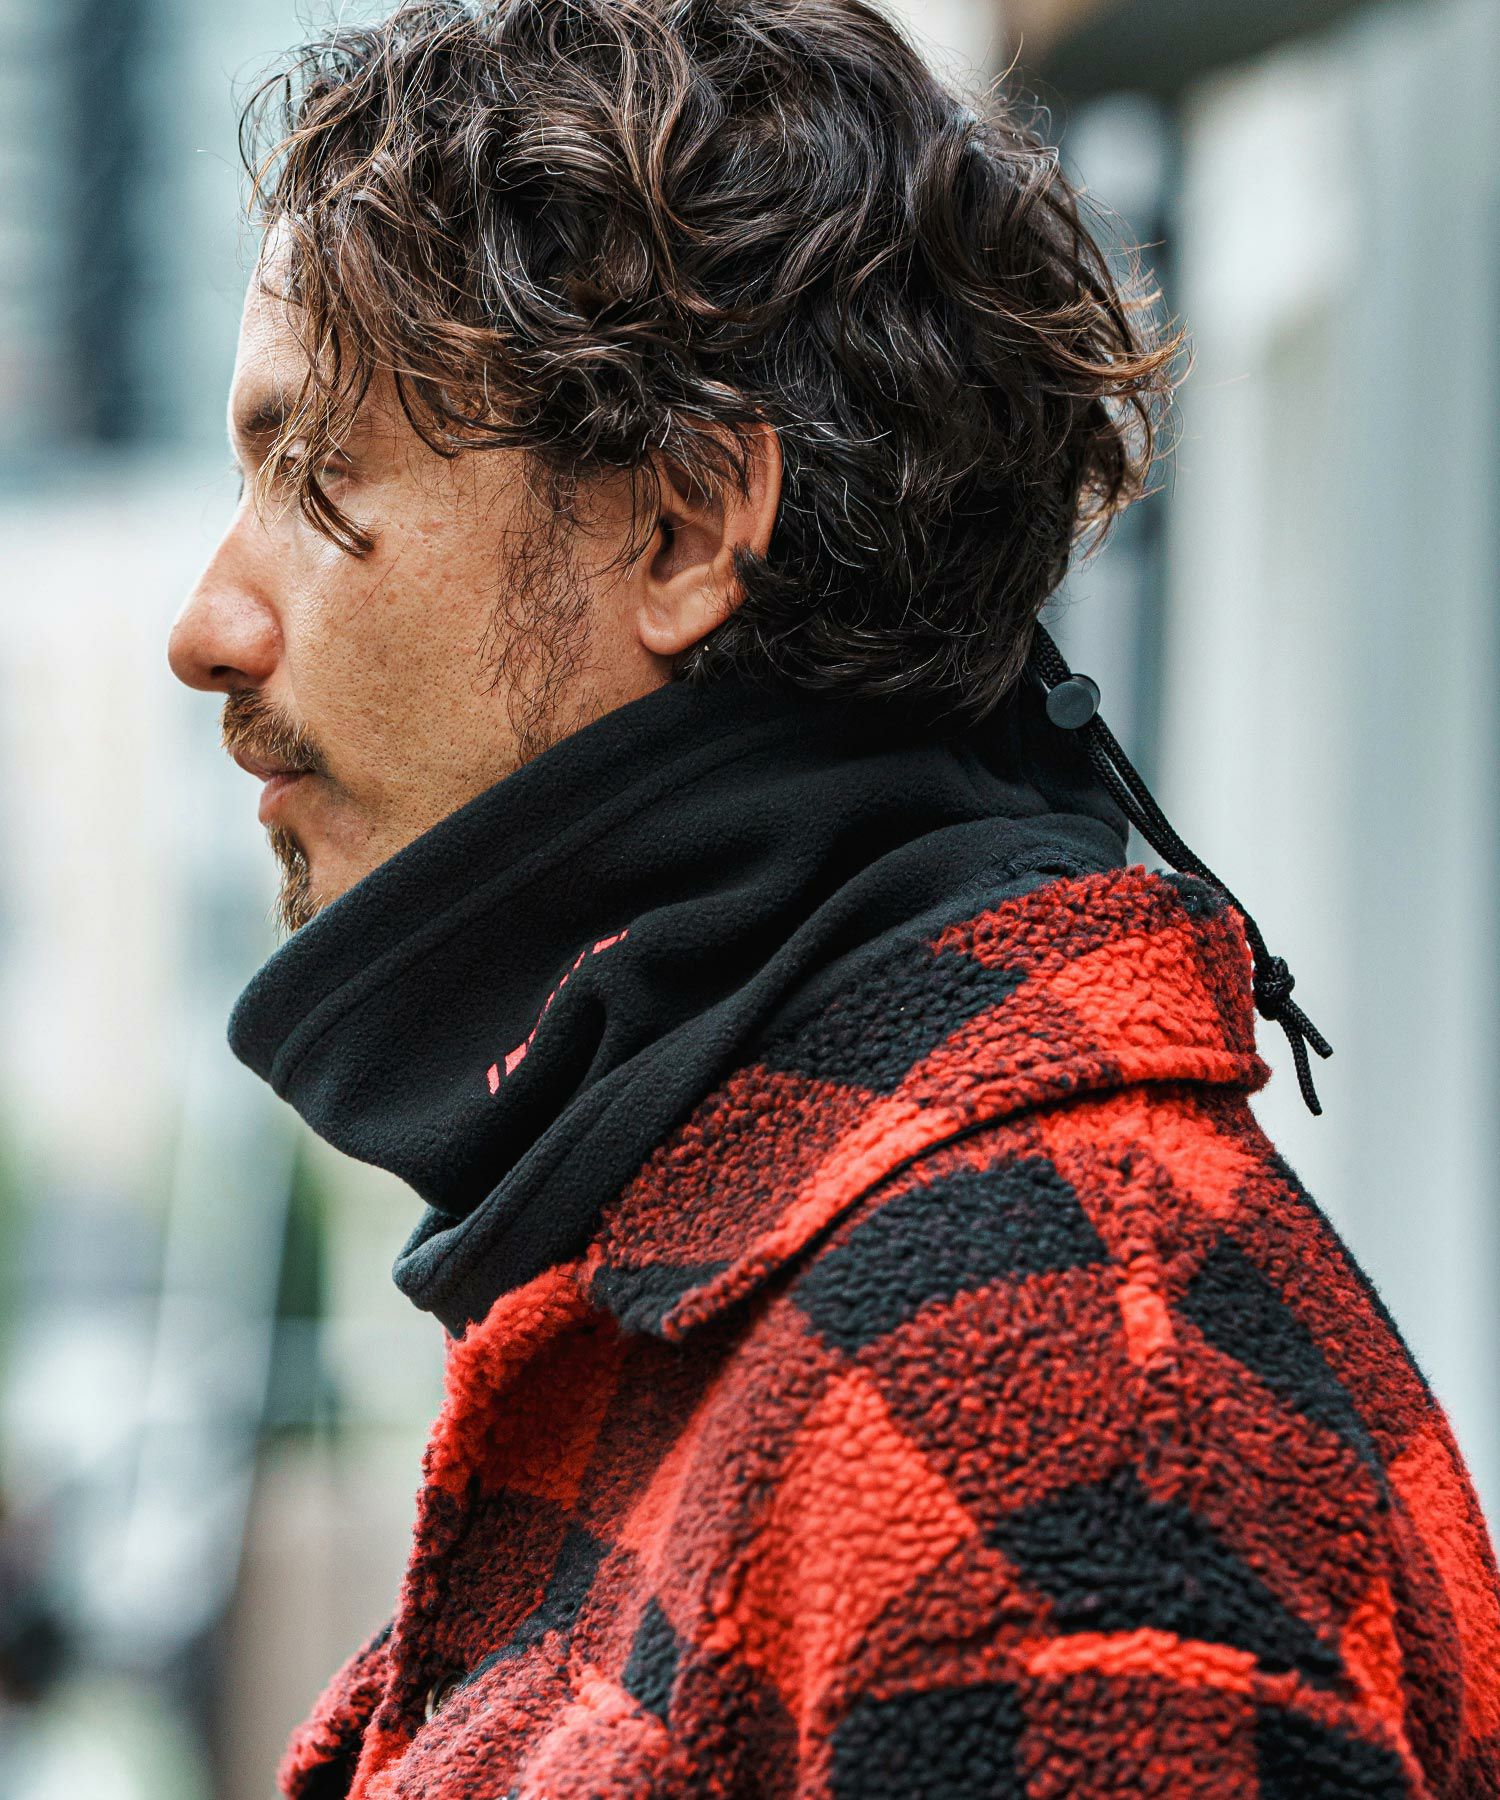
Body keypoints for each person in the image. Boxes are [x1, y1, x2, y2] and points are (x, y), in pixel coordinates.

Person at [167, 0, 1500, 1794]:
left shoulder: (1056, 1391)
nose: (207, 627)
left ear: (681, 524)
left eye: (316, 473)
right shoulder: (770, 1292)